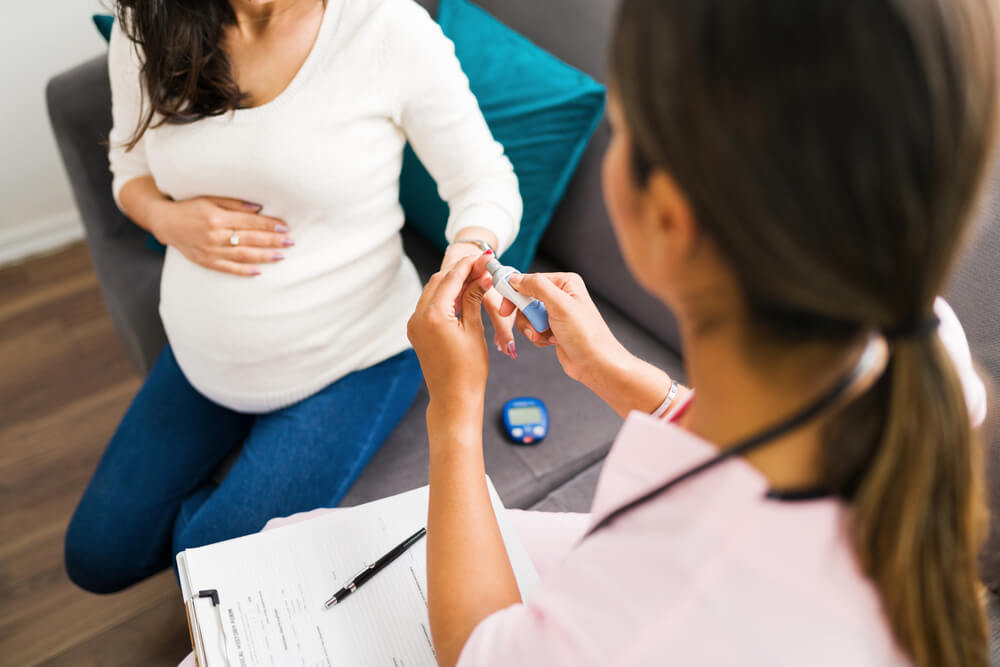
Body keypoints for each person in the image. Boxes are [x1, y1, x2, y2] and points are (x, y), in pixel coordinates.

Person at [406, 0, 998, 665]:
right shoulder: (917, 332)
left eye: (621, 129)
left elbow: (480, 652)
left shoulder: (675, 593)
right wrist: (617, 373)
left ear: (666, 219)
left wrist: (452, 412)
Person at [64, 0, 523, 595]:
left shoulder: (386, 28)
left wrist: (469, 251)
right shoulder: (148, 18)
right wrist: (164, 218)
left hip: (354, 358)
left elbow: (484, 180)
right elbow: (128, 168)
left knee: (204, 567)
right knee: (95, 558)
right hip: (199, 356)